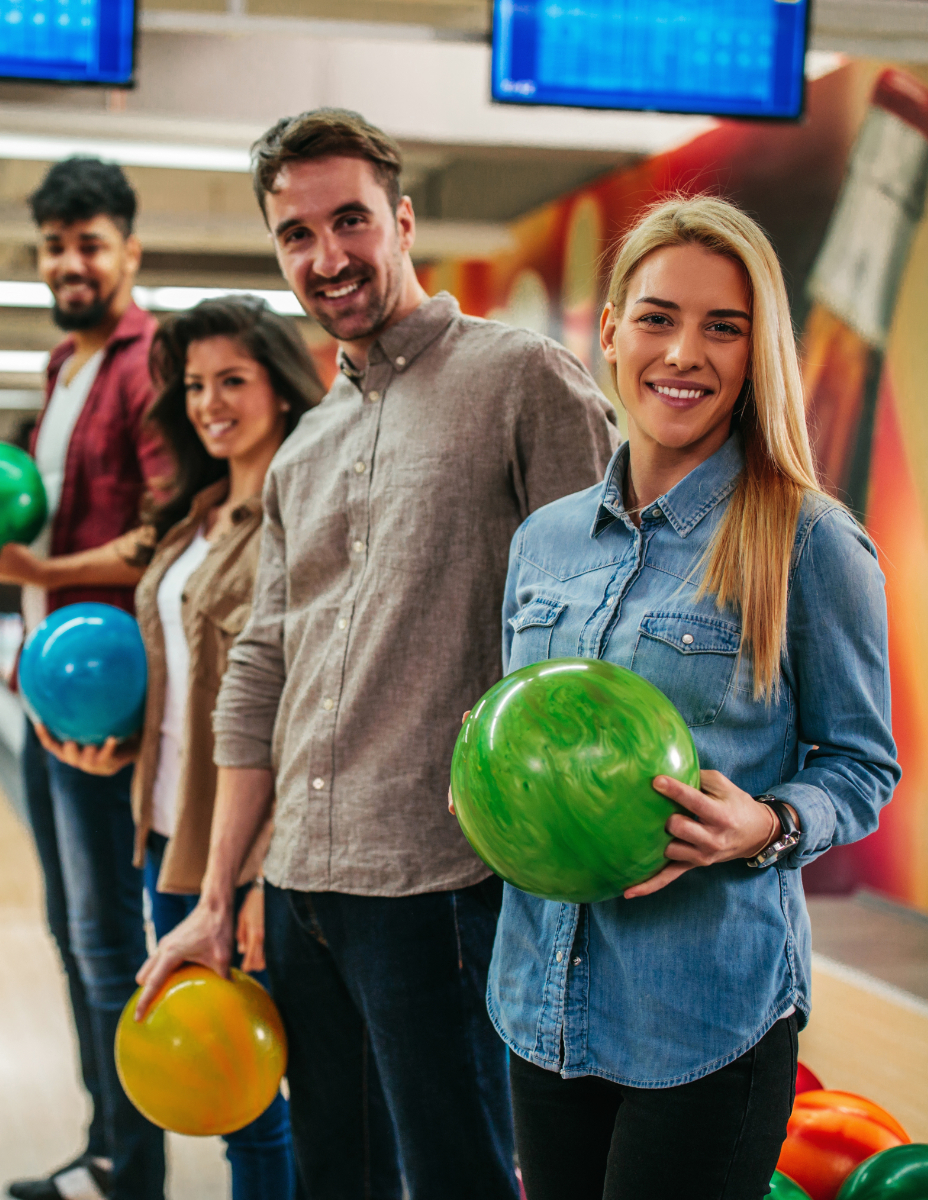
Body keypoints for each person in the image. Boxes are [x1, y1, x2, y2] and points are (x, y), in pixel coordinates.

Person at [136, 108, 618, 1200]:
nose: (328, 256)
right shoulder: (305, 447)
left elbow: (600, 627)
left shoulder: (522, 381)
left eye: (349, 220)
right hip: (300, 886)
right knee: (335, 1177)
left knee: (458, 1175)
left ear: (401, 221)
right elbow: (259, 672)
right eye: (296, 235)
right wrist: (217, 894)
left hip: (443, 885)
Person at [477, 195, 899, 1200]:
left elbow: (863, 766)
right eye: (658, 318)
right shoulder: (545, 540)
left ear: (758, 355)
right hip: (541, 999)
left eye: (724, 327)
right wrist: (490, 783)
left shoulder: (808, 541)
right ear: (610, 331)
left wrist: (771, 823)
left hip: (706, 1015)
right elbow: (518, 718)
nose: (684, 353)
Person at [41, 295, 326, 1200]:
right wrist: (123, 746)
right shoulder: (193, 515)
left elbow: (311, 705)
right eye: (195, 385)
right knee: (239, 1103)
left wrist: (263, 871)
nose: (209, 403)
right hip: (170, 841)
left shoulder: (302, 518)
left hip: (249, 854)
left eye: (232, 380)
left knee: (265, 1102)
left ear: (284, 390)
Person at [0, 156, 168, 1200]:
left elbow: (163, 533)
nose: (71, 263)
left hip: (105, 697)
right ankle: (106, 1146)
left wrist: (38, 575)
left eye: (90, 244)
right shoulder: (63, 369)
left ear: (129, 251)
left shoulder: (148, 363)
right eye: (55, 246)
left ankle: (131, 1171)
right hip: (48, 691)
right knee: (74, 936)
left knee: (105, 941)